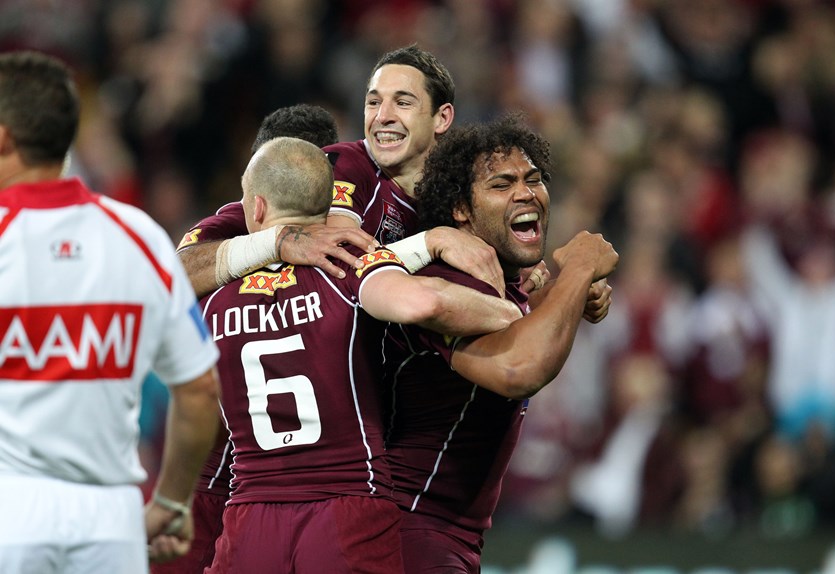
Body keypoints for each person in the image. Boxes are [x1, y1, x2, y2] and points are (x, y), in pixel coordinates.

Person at [202, 137, 521, 573]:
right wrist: (512, 310)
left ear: (256, 209)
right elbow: (420, 305)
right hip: (347, 505)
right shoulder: (349, 274)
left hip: (250, 514)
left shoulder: (212, 298)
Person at [0, 51, 221, 573]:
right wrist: (170, 503)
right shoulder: (140, 236)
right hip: (112, 524)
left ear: (4, 135)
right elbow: (198, 389)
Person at [382, 113, 619, 572]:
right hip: (407, 535)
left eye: (534, 179)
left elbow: (513, 330)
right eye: (501, 184)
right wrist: (578, 272)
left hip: (437, 536)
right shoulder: (444, 284)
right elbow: (518, 369)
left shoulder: (504, 286)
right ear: (460, 211)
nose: (526, 193)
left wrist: (558, 298)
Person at [151, 102, 344, 574]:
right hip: (221, 474)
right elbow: (167, 278)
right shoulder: (235, 226)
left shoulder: (359, 230)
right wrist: (273, 242)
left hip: (324, 484)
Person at [177, 44, 505, 300]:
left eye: (402, 103)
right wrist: (277, 241)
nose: (383, 116)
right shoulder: (343, 164)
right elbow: (341, 265)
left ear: (442, 118)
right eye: (373, 102)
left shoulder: (459, 190)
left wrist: (513, 269)